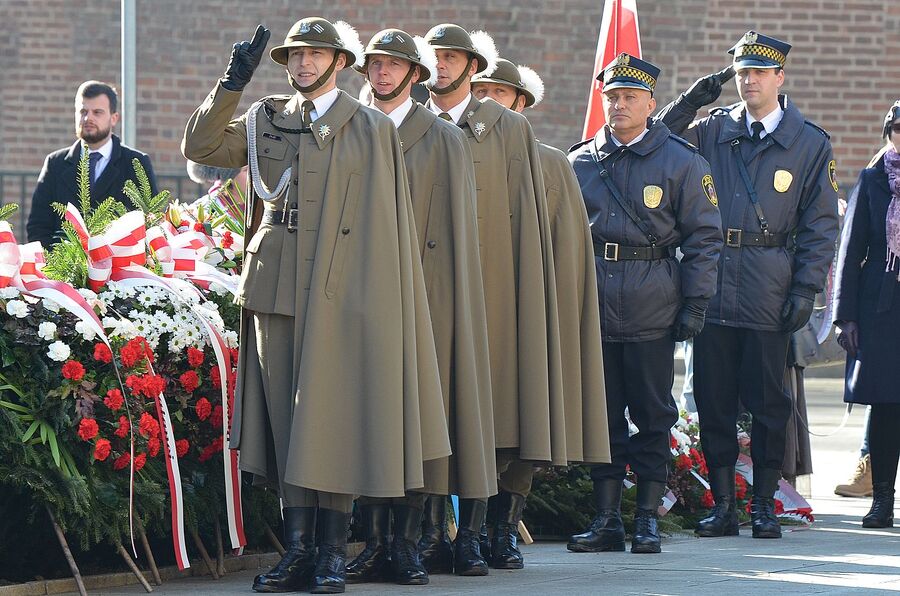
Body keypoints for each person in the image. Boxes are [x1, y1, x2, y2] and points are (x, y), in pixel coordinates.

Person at [182, 19, 450, 594]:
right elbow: (201, 148)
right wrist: (234, 80)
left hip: (342, 289)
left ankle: (331, 551)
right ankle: (297, 551)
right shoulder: (264, 119)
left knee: (332, 421)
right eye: (294, 57)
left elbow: (388, 223)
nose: (302, 65)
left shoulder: (369, 127)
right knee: (284, 421)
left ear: (339, 62)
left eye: (314, 55)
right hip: (276, 283)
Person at [657, 30, 839, 539]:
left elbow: (821, 224)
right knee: (713, 400)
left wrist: (805, 289)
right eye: (741, 72)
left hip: (769, 288)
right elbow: (654, 142)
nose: (748, 80)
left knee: (768, 404)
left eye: (759, 72)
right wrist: (690, 101)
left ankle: (762, 502)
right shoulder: (713, 130)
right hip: (712, 284)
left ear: (780, 77)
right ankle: (723, 506)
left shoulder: (809, 142)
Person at [344, 28, 495, 586]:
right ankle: (375, 541)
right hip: (364, 295)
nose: (381, 73)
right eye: (374, 65)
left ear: (414, 73)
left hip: (427, 296)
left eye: (393, 65)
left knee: (418, 422)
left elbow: (459, 235)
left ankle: (408, 543)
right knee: (373, 417)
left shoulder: (443, 138)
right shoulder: (351, 128)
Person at [419, 24, 563, 576]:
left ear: (474, 67)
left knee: (494, 415)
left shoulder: (504, 128)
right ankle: (432, 533)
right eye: (433, 57)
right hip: (431, 290)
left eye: (452, 58)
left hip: (490, 290)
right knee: (433, 415)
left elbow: (522, 218)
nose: (441, 66)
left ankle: (481, 533)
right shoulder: (413, 125)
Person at [567, 53, 722, 555]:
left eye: (630, 97)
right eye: (612, 96)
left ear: (651, 103)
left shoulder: (680, 160)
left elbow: (704, 237)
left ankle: (646, 520)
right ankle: (607, 518)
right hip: (592, 306)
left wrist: (696, 300)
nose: (619, 105)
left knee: (653, 415)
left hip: (652, 306)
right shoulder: (580, 162)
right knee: (603, 416)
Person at [471, 57, 611, 566]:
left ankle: (503, 528)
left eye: (498, 95)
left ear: (520, 103)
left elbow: (566, 251)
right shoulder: (453, 149)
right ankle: (459, 531)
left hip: (524, 311)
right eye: (480, 92)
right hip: (468, 310)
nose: (487, 103)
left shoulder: (549, 164)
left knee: (522, 420)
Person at [834, 100, 900, 528]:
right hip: (883, 309)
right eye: (897, 129)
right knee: (887, 405)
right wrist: (845, 315)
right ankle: (882, 501)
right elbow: (850, 249)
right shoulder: (874, 179)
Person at [28, 80, 158, 248]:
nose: (88, 118)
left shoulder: (135, 163)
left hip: (119, 269)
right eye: (83, 111)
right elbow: (38, 225)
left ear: (114, 118)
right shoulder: (55, 163)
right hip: (63, 269)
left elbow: (151, 221)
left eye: (97, 112)